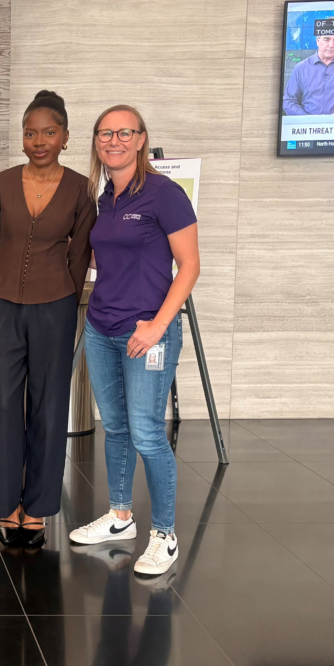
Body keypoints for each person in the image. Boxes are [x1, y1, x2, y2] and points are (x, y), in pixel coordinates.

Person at [68, 105, 199, 578]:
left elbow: (189, 267)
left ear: (142, 139)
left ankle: (165, 535)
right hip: (102, 329)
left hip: (146, 331)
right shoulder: (104, 197)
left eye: (125, 132)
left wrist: (157, 325)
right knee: (117, 428)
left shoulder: (164, 194)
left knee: (146, 432)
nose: (114, 140)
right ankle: (121, 517)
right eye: (105, 133)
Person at [0, 90, 96, 548]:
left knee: (49, 407)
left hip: (56, 306)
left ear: (65, 137)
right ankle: (9, 505)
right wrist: (3, 286)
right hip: (2, 305)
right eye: (30, 132)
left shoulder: (79, 189)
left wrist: (60, 296)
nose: (39, 140)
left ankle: (39, 508)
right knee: (6, 406)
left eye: (49, 132)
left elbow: (80, 253)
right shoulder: (1, 183)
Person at [283, 34, 334, 115]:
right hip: (308, 126)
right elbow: (289, 102)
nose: (331, 45)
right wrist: (306, 119)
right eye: (326, 39)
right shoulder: (301, 68)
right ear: (318, 41)